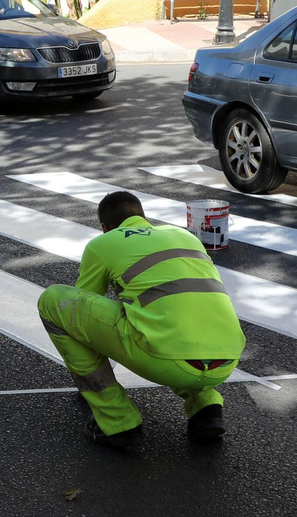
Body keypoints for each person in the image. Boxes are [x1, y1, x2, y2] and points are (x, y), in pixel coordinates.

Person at [37, 190, 246, 446]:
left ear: (105, 227)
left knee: (53, 301)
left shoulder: (105, 243)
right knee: (180, 315)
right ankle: (206, 407)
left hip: (166, 358)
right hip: (227, 360)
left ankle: (117, 420)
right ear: (143, 217)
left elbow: (81, 307)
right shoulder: (183, 236)